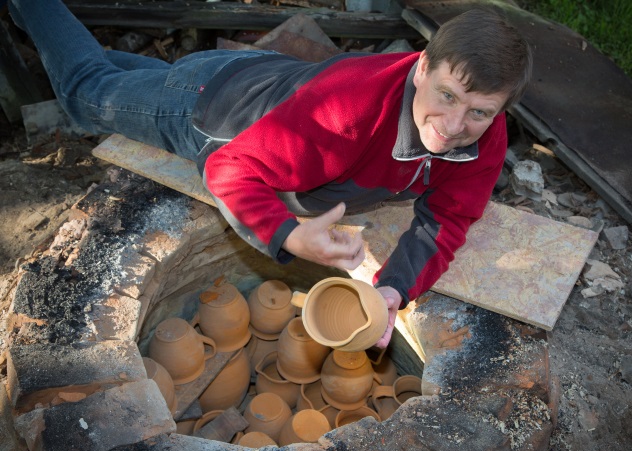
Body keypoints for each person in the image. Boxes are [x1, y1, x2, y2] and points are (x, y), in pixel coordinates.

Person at [8, 0, 532, 348]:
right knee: (83, 92)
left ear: (500, 108)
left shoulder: (484, 132)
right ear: (421, 68)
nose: (455, 125)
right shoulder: (348, 110)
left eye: (479, 112)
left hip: (271, 87)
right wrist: (287, 233)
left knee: (131, 80)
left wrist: (395, 289)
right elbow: (229, 166)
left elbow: (448, 215)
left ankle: (112, 64)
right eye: (446, 96)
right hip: (213, 112)